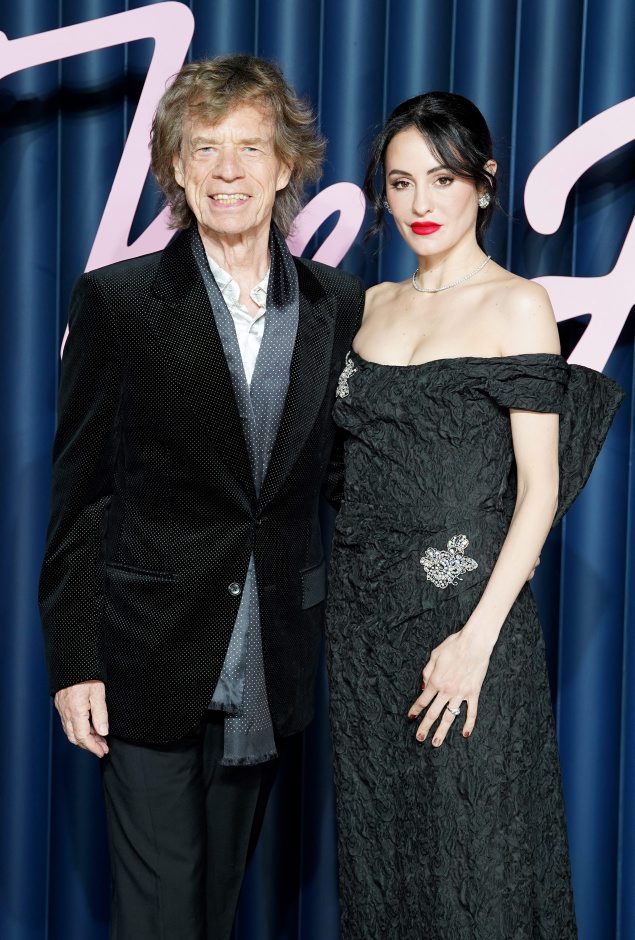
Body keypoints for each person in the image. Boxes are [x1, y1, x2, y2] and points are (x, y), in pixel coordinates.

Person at [39, 55, 364, 940]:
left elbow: (345, 477)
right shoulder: (119, 301)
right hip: (145, 653)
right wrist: (74, 661)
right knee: (160, 914)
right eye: (205, 149)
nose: (228, 170)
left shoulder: (337, 305)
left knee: (214, 911)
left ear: (285, 165)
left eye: (250, 148)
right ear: (176, 169)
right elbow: (80, 497)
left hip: (268, 657)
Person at [325, 91, 623, 939]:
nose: (420, 203)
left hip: (466, 621)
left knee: (476, 858)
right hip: (363, 630)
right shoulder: (368, 305)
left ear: (484, 183)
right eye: (400, 183)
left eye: (443, 179)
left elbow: (538, 491)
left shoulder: (516, 305)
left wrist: (474, 643)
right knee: (381, 860)